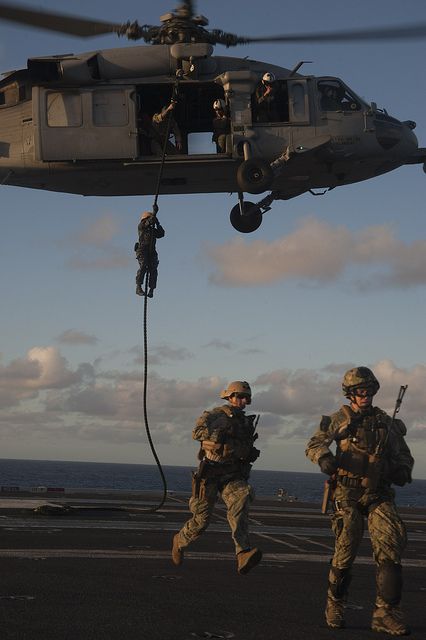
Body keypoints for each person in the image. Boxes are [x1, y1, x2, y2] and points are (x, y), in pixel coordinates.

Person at [305, 367, 414, 636]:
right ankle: (335, 604)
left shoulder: (387, 424)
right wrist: (324, 458)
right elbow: (314, 444)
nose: (364, 395)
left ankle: (384, 613)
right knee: (345, 550)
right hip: (347, 492)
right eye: (359, 391)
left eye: (368, 391)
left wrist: (398, 470)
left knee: (391, 546)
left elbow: (404, 457)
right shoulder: (338, 419)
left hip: (378, 493)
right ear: (351, 394)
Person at [171, 381, 262, 574]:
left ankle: (242, 552)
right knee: (201, 521)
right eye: (239, 396)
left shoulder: (245, 422)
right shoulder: (215, 415)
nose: (243, 401)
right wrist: (220, 439)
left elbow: (242, 449)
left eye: (246, 398)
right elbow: (197, 433)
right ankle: (179, 541)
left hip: (232, 474)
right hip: (211, 473)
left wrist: (247, 452)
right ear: (229, 397)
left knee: (242, 498)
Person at [135, 211, 165, 297]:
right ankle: (138, 287)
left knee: (153, 269)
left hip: (151, 251)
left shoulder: (152, 231)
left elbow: (161, 234)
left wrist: (158, 223)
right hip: (142, 250)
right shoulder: (141, 226)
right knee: (143, 265)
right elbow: (149, 222)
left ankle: (151, 289)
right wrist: (154, 214)